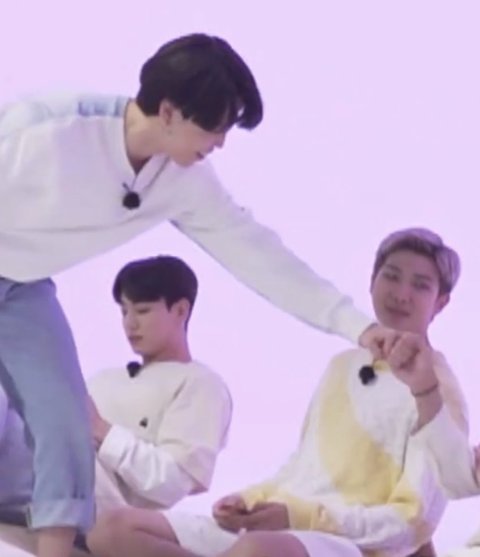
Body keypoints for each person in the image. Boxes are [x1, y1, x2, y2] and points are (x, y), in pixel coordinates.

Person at [0, 32, 395, 557]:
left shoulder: (183, 181)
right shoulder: (43, 132)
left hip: (22, 288)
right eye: (216, 126)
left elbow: (261, 255)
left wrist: (357, 326)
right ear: (168, 111)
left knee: (64, 418)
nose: (221, 143)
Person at [86, 227, 467, 557]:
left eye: (420, 285)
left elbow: (413, 521)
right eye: (392, 276)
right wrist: (248, 501)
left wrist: (299, 516)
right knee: (113, 530)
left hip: (350, 544)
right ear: (372, 280)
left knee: (255, 551)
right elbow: (304, 469)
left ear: (441, 302)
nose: (401, 293)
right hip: (283, 528)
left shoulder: (438, 389)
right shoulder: (342, 366)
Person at [0, 255, 232, 555]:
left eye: (143, 310)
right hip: (38, 473)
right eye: (124, 311)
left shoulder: (199, 383)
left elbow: (173, 481)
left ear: (180, 310)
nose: (131, 323)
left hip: (91, 502)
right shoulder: (103, 379)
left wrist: (102, 430)